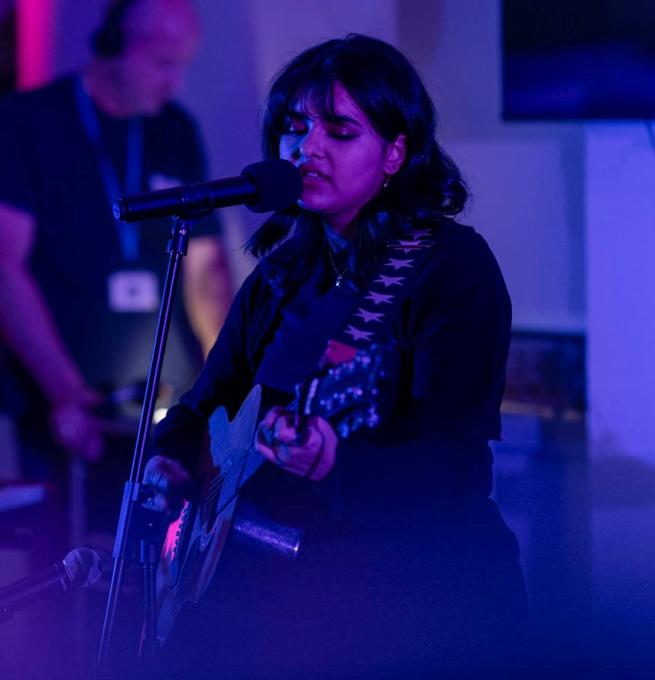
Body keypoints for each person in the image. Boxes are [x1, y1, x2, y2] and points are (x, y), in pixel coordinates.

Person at [146, 34, 527, 677]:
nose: (307, 149)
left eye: (341, 132)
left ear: (395, 154)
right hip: (283, 600)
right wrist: (168, 462)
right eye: (295, 129)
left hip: (423, 606)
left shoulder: (451, 268)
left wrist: (336, 466)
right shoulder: (278, 277)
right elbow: (203, 406)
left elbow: (451, 463)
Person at [0, 0, 232, 528]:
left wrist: (224, 388)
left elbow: (207, 270)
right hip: (65, 403)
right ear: (112, 47)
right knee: (69, 563)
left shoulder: (175, 129)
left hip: (169, 405)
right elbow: (4, 264)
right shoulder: (28, 122)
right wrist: (62, 391)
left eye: (183, 65)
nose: (174, 81)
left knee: (161, 572)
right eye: (163, 62)